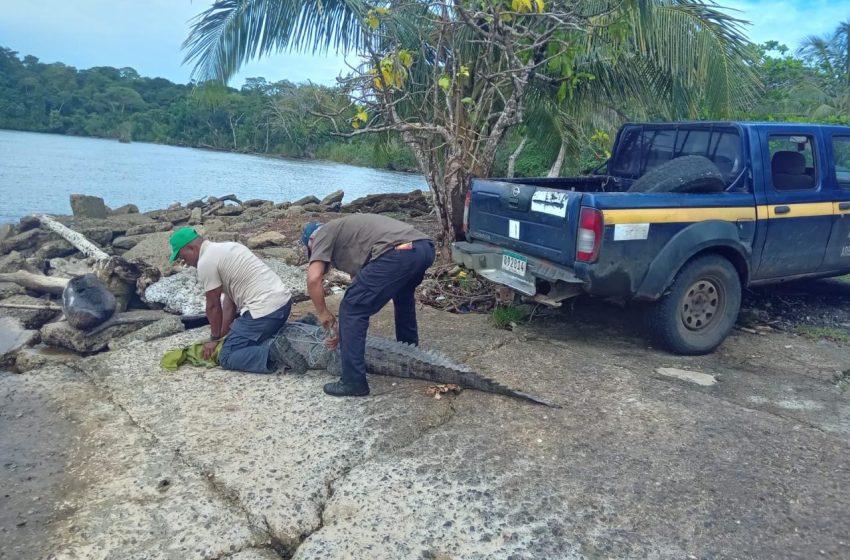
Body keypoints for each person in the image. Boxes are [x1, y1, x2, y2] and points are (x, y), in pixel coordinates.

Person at [302, 213, 436, 397]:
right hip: (423, 247)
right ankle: (409, 351)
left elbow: (313, 278)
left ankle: (353, 381)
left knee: (351, 309)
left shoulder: (322, 233)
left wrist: (323, 313)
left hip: (398, 252)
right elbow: (360, 287)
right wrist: (344, 331)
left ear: (311, 241)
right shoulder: (348, 236)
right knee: (402, 296)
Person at [168, 226, 297, 374]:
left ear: (191, 248)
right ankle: (297, 328)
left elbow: (213, 305)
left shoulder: (206, 262)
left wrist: (213, 339)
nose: (185, 263)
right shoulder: (229, 247)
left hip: (264, 313)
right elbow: (229, 302)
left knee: (227, 355)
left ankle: (274, 354)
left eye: (183, 257)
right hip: (283, 305)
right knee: (237, 338)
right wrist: (222, 334)